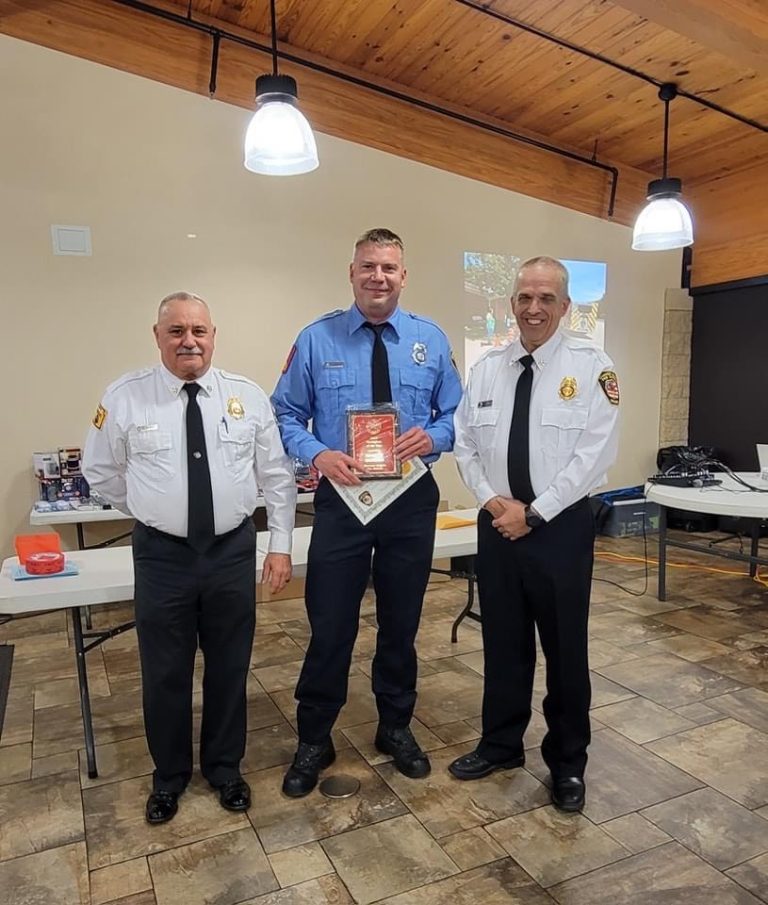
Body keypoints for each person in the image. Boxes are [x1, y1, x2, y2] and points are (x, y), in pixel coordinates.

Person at [83, 291, 296, 824]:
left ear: (214, 335)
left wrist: (281, 546)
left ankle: (225, 769)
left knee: (229, 667)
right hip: (162, 556)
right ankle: (169, 777)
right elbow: (99, 470)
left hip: (230, 551)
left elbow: (276, 477)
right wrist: (152, 507)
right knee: (164, 673)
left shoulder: (244, 395)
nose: (189, 341)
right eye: (176, 331)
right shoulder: (125, 397)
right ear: (157, 337)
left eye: (198, 330)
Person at [272, 228, 463, 797]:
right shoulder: (315, 339)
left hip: (409, 502)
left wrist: (431, 439)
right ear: (351, 272)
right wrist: (317, 453)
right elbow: (283, 415)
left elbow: (457, 418)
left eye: (389, 268)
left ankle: (396, 727)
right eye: (368, 267)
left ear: (404, 276)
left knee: (401, 623)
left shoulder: (430, 339)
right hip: (342, 499)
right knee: (330, 624)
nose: (378, 277)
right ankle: (314, 738)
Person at [450, 256, 620, 813]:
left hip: (560, 529)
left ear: (566, 307)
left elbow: (594, 458)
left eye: (546, 298)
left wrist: (536, 512)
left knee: (566, 652)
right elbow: (466, 445)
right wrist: (492, 500)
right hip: (498, 525)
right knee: (503, 643)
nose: (533, 308)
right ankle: (500, 745)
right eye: (524, 297)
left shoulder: (593, 369)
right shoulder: (487, 370)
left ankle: (568, 764)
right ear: (511, 303)